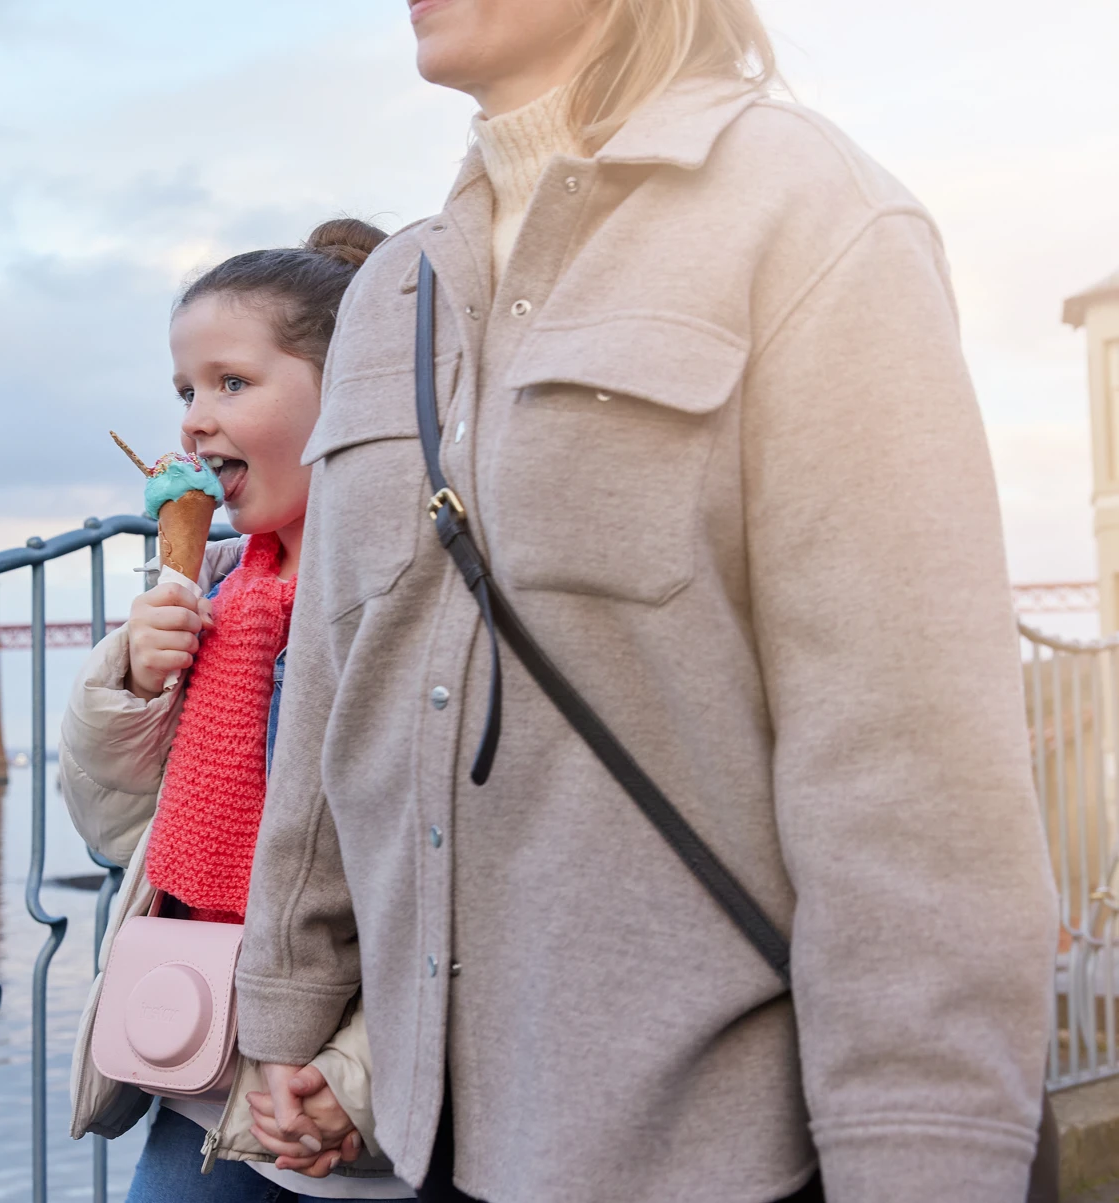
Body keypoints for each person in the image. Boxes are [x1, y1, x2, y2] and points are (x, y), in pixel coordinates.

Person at [232, 2, 1059, 1202]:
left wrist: (926, 1150)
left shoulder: (807, 211)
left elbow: (907, 752)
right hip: (435, 1145)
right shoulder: (389, 292)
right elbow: (331, 689)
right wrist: (291, 1006)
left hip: (735, 1152)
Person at [63, 218, 417, 1200]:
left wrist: (359, 1080)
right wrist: (132, 686)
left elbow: (445, 887)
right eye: (185, 390)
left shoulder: (414, 604)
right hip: (200, 1072)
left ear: (348, 393)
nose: (191, 420)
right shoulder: (209, 593)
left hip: (332, 1102)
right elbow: (115, 830)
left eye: (232, 383)